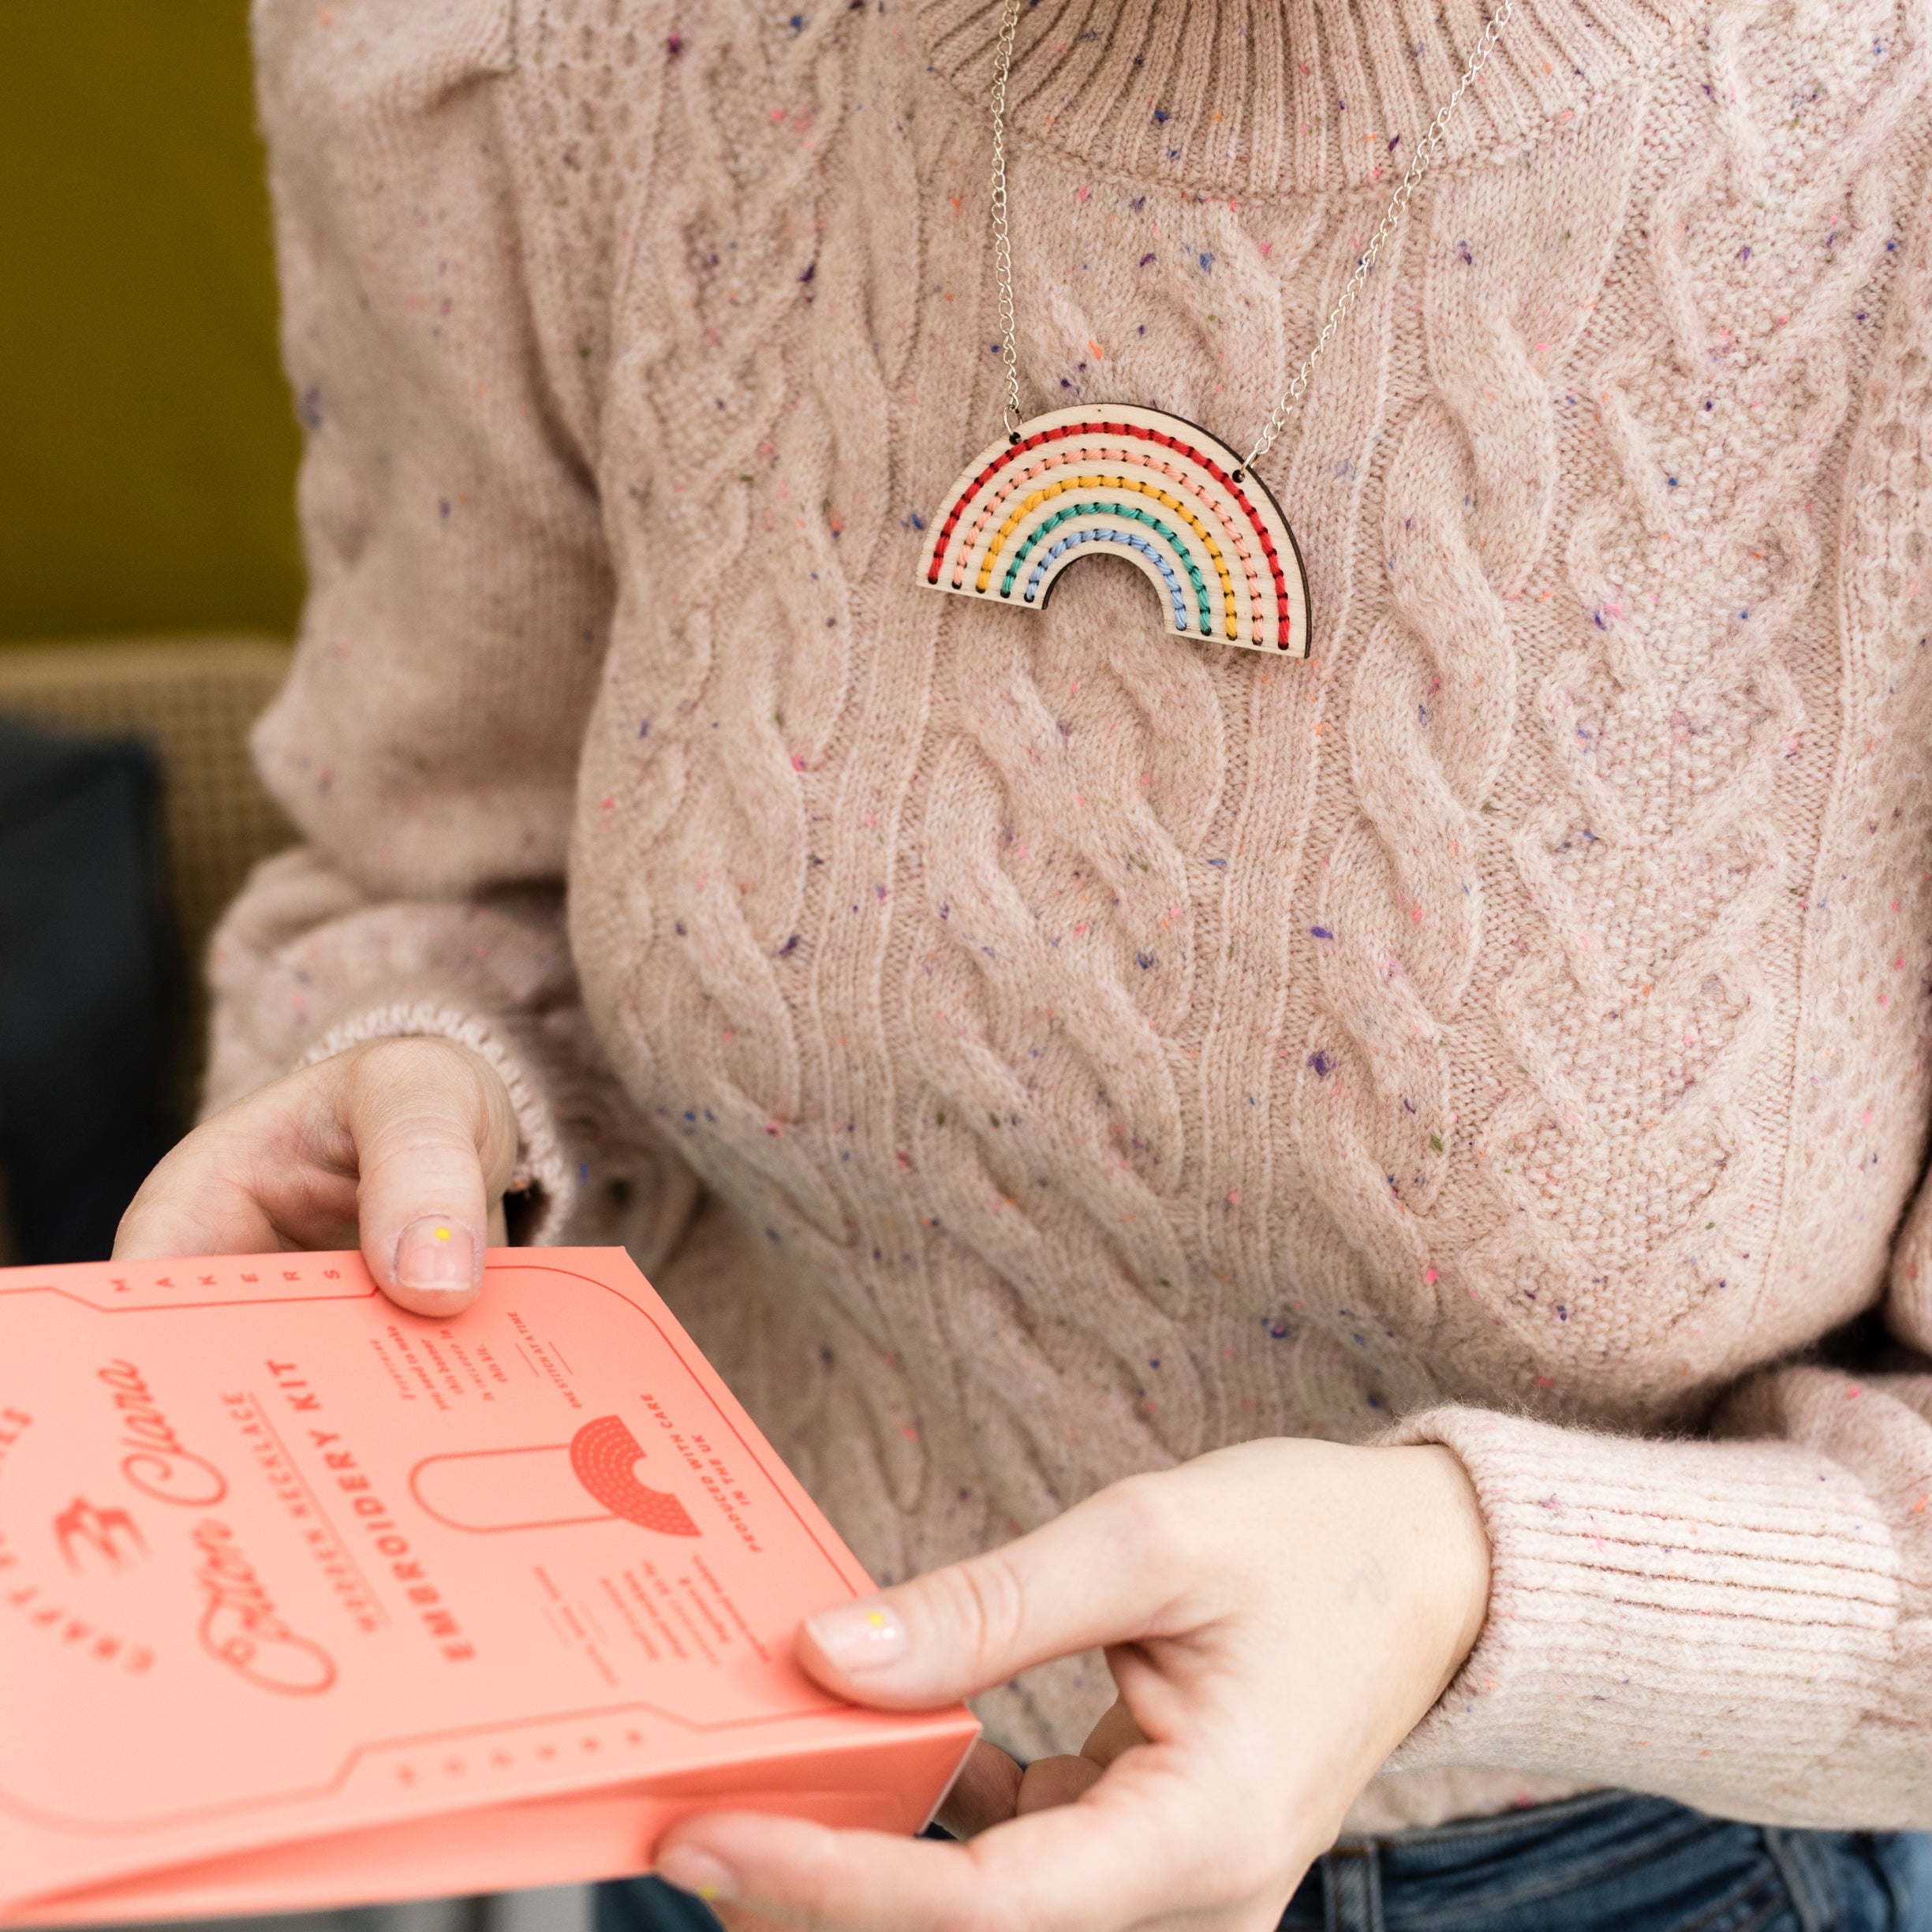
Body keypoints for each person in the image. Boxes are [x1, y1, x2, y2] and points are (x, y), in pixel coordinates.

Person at [119, 0, 1932, 1925]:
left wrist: (1464, 1579)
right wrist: (432, 1073)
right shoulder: (527, 52)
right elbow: (437, 865)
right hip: (727, 1782)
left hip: (1634, 1867)